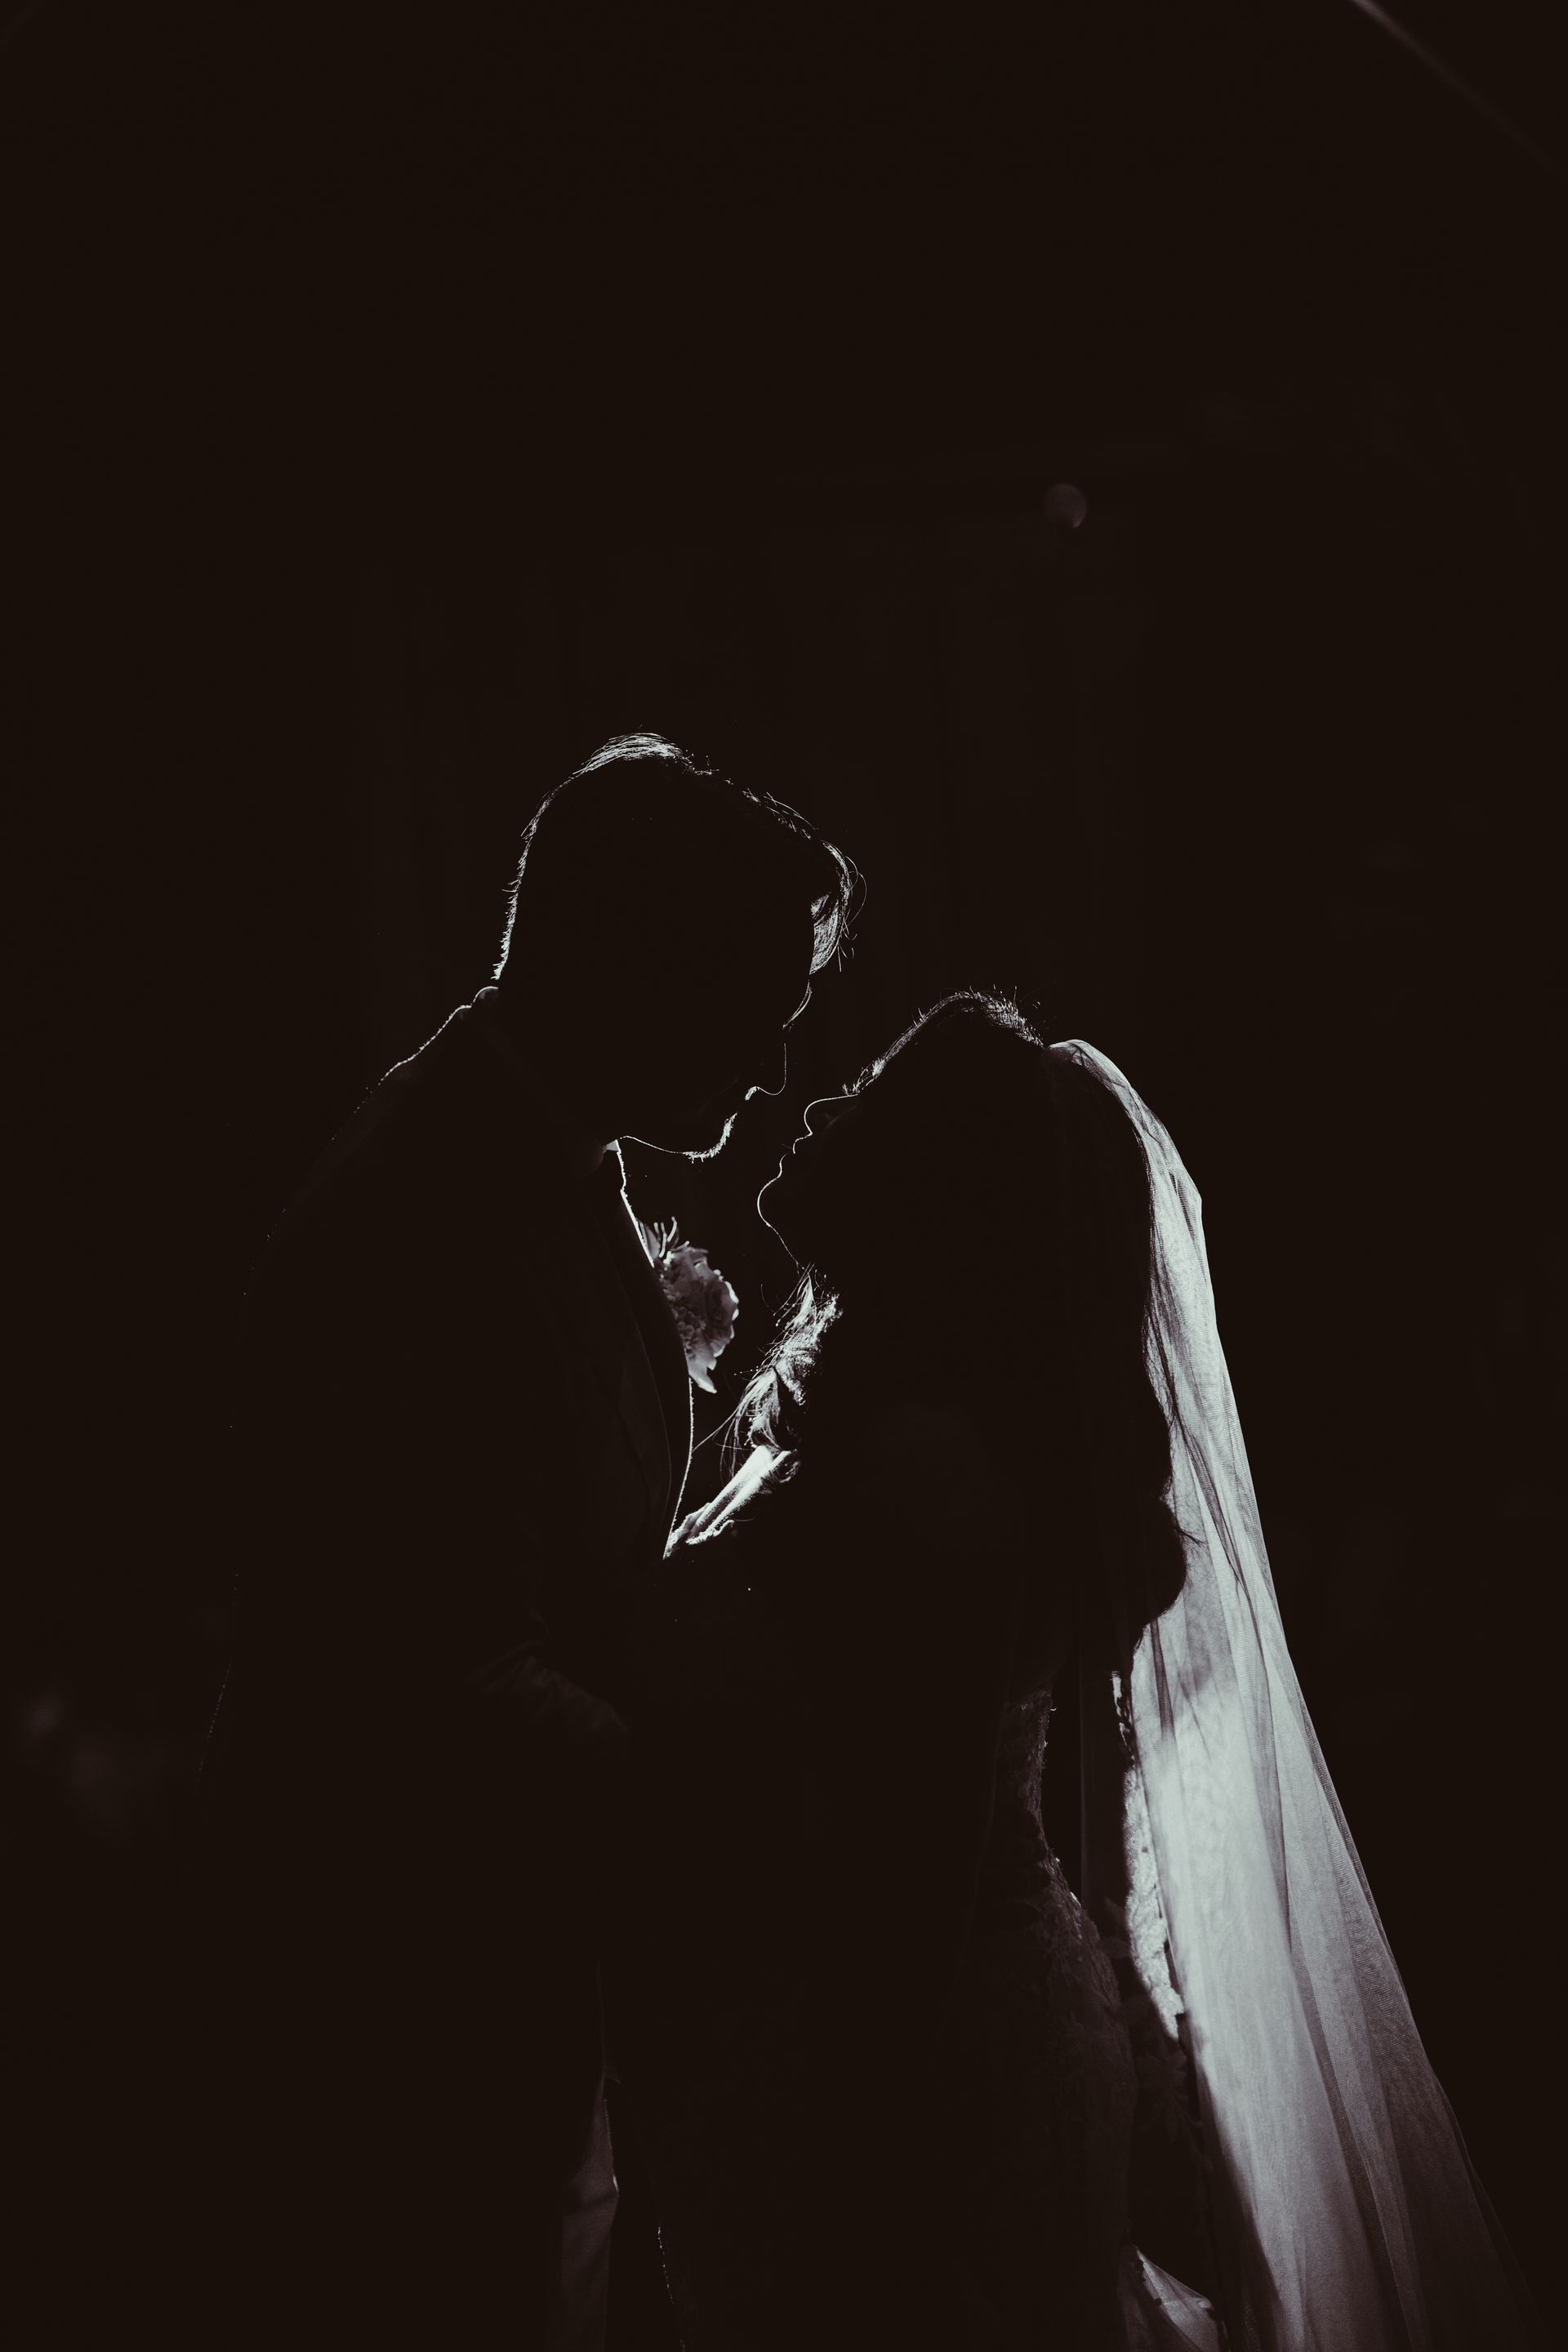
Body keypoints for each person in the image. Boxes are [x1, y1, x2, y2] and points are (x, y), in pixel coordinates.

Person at [604, 991, 1543, 2350]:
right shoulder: (877, 1432)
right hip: (895, 2035)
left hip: (923, 2078)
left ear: (938, 1193)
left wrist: (848, 2182)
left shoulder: (928, 1478)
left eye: (874, 1093)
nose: (820, 1104)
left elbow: (906, 1879)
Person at [194, 733, 857, 2349]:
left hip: (522, 1986)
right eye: (756, 1005)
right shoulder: (424, 1216)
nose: (779, 1067)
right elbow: (446, 1674)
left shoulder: (546, 1150)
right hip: (404, 2010)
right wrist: (741, 1805)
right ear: (640, 964)